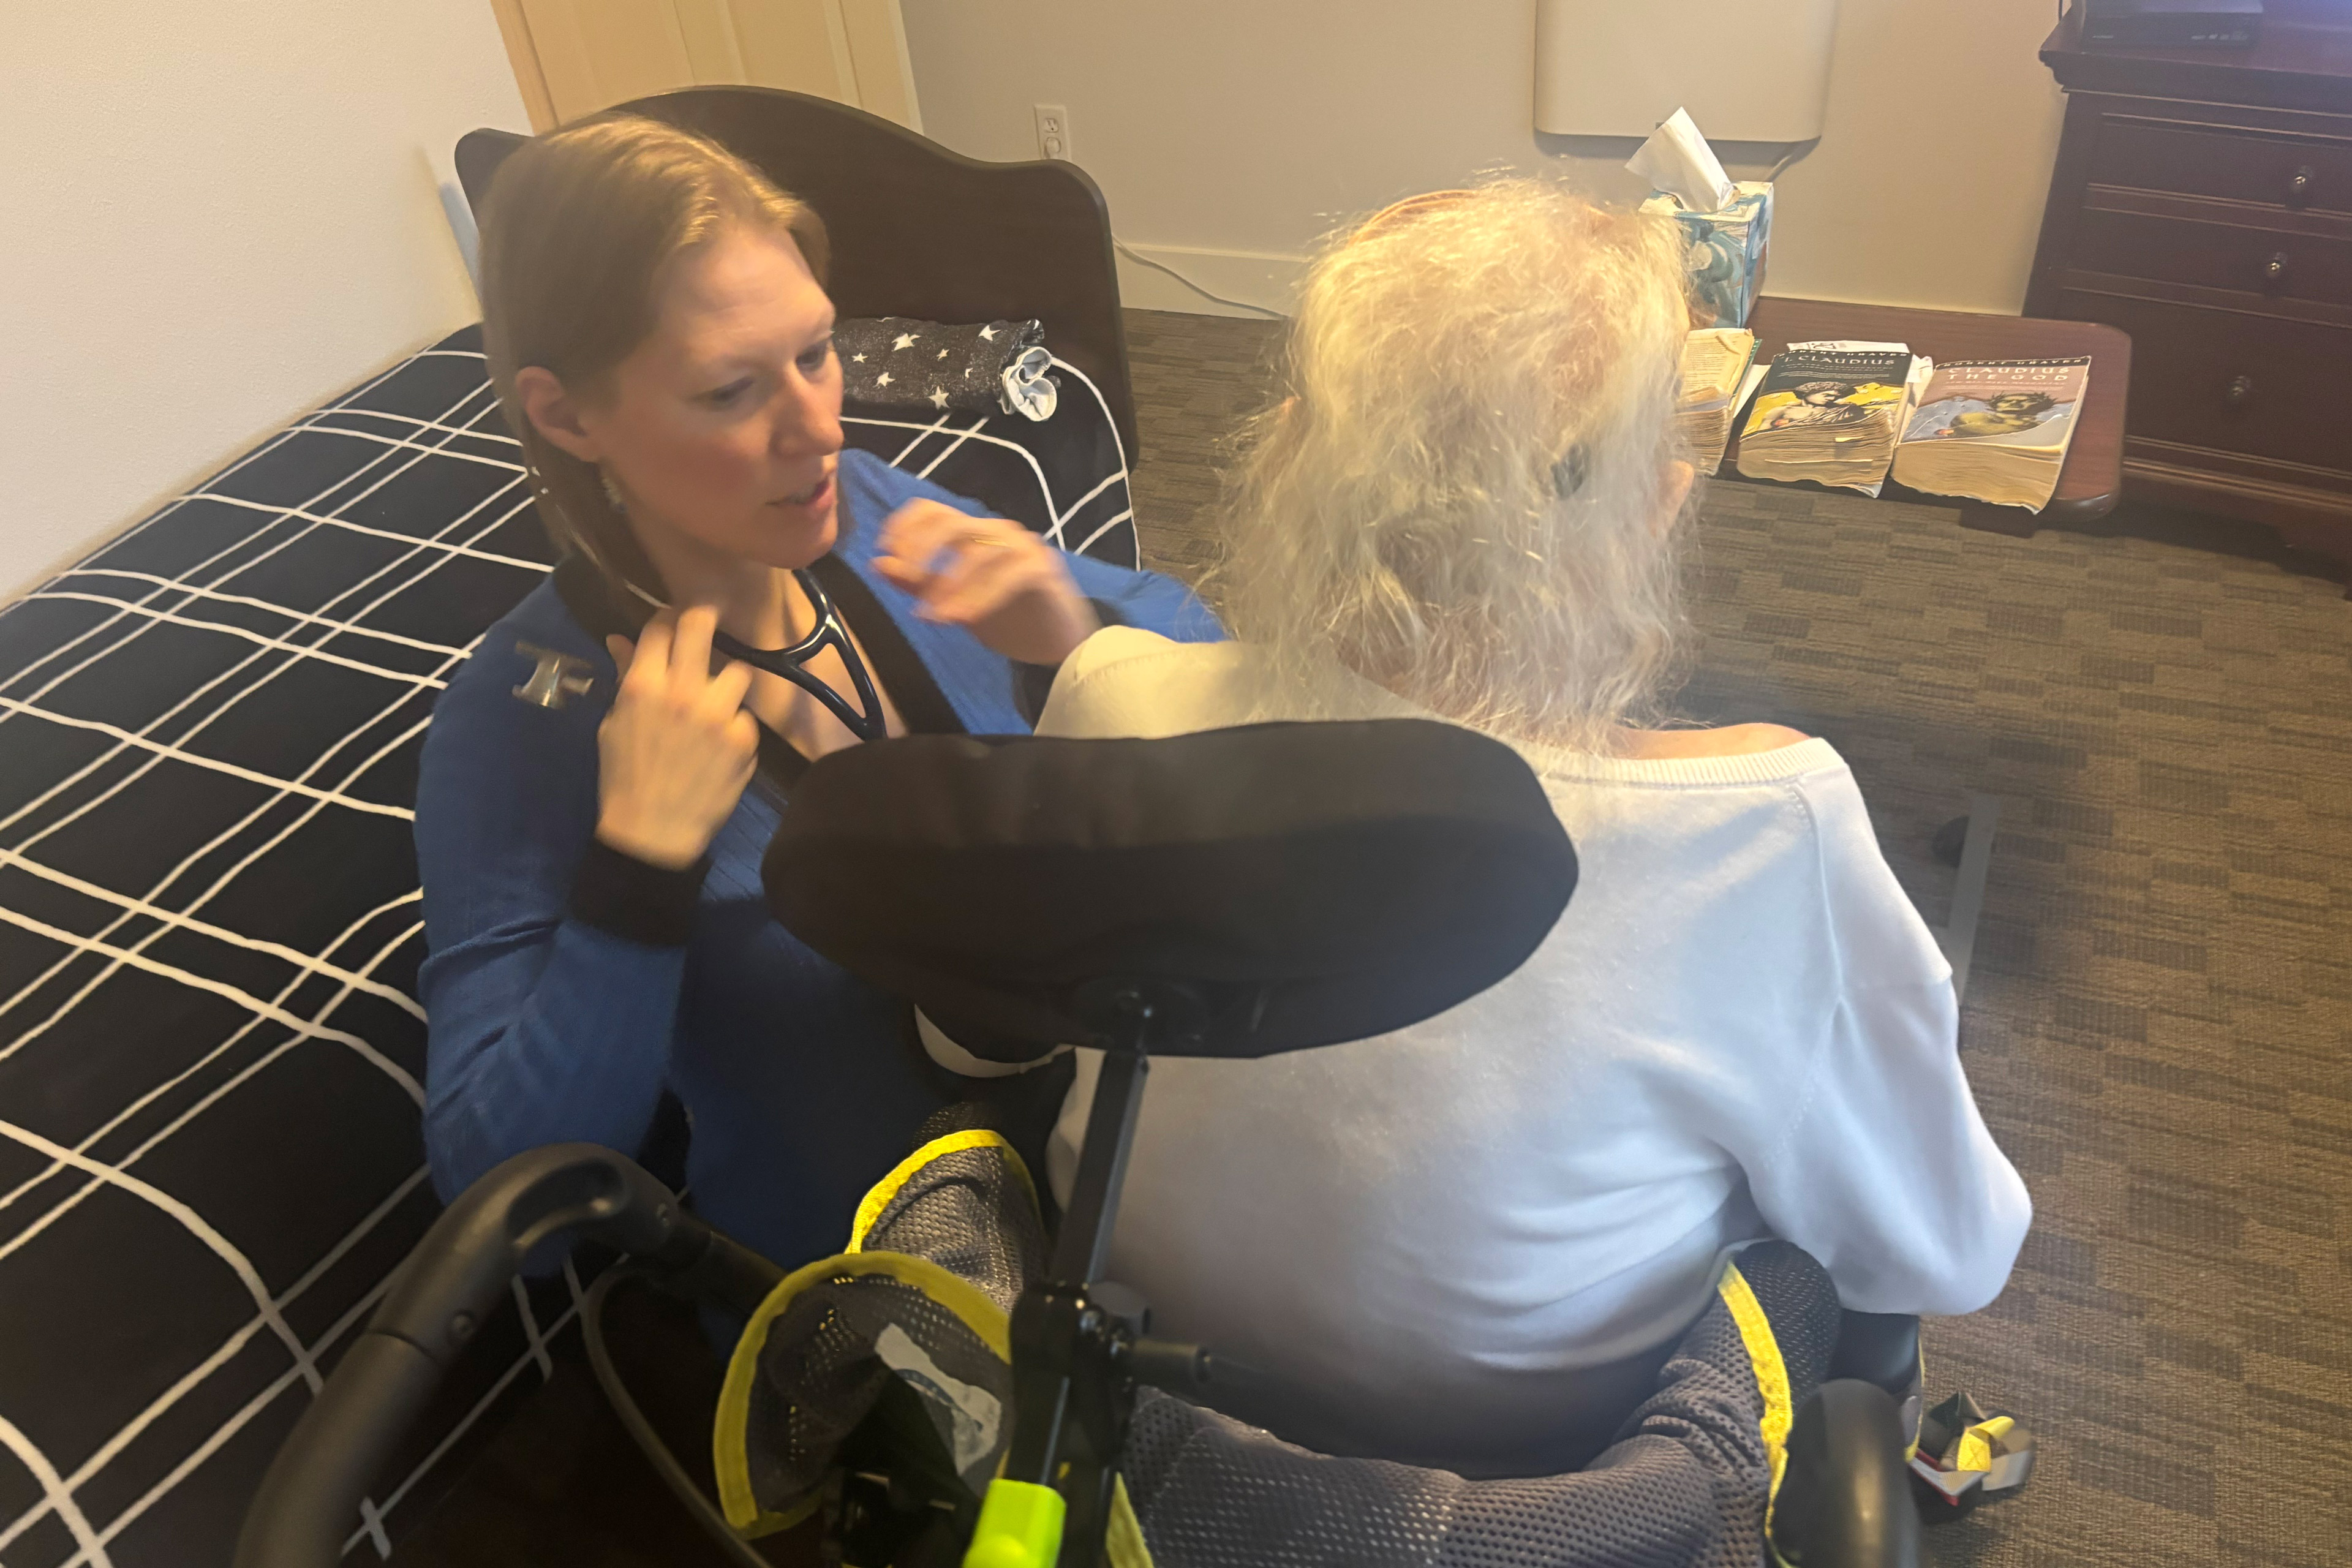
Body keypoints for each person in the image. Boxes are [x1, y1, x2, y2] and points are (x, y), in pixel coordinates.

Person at [1030, 181, 2031, 1477]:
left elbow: (981, 1027)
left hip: (1133, 1422)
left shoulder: (1114, 699)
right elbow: (1945, 1246)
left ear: (1285, 453)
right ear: (1655, 506)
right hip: (1543, 1486)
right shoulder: (1760, 830)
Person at [412, 114, 1215, 1272]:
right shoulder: (522, 720)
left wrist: (1074, 641)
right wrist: (639, 870)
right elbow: (505, 1208)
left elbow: (1209, 652)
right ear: (566, 415)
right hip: (873, 1323)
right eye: (732, 391)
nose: (821, 427)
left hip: (1120, 1191)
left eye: (818, 352)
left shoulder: (869, 506)